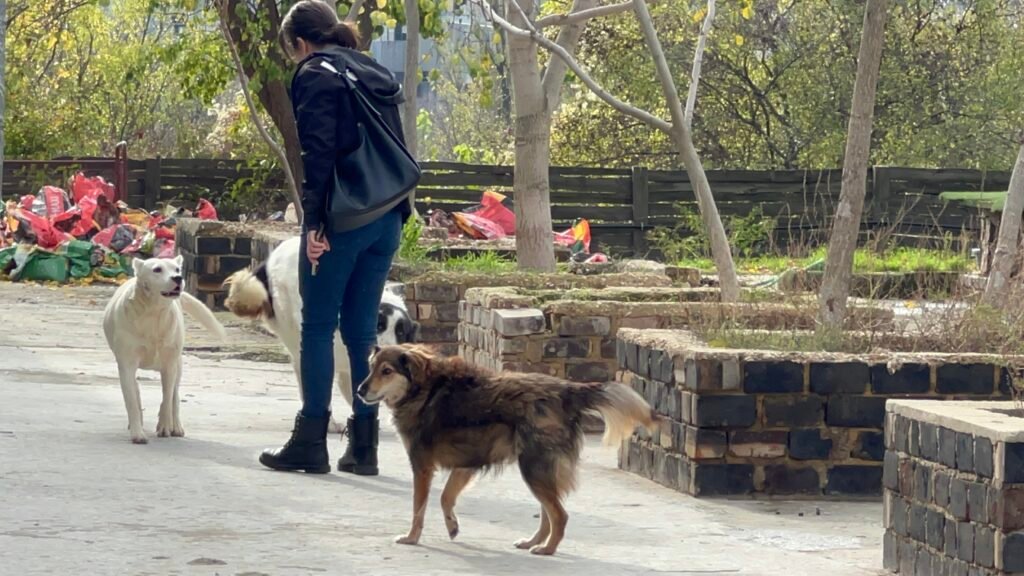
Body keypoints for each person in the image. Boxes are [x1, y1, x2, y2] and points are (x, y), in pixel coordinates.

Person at [259, 0, 413, 476]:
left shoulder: (314, 73)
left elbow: (318, 155)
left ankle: (310, 440)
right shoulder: (371, 69)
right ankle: (363, 448)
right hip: (388, 214)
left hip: (344, 219)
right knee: (361, 330)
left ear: (300, 43)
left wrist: (313, 226)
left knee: (317, 327)